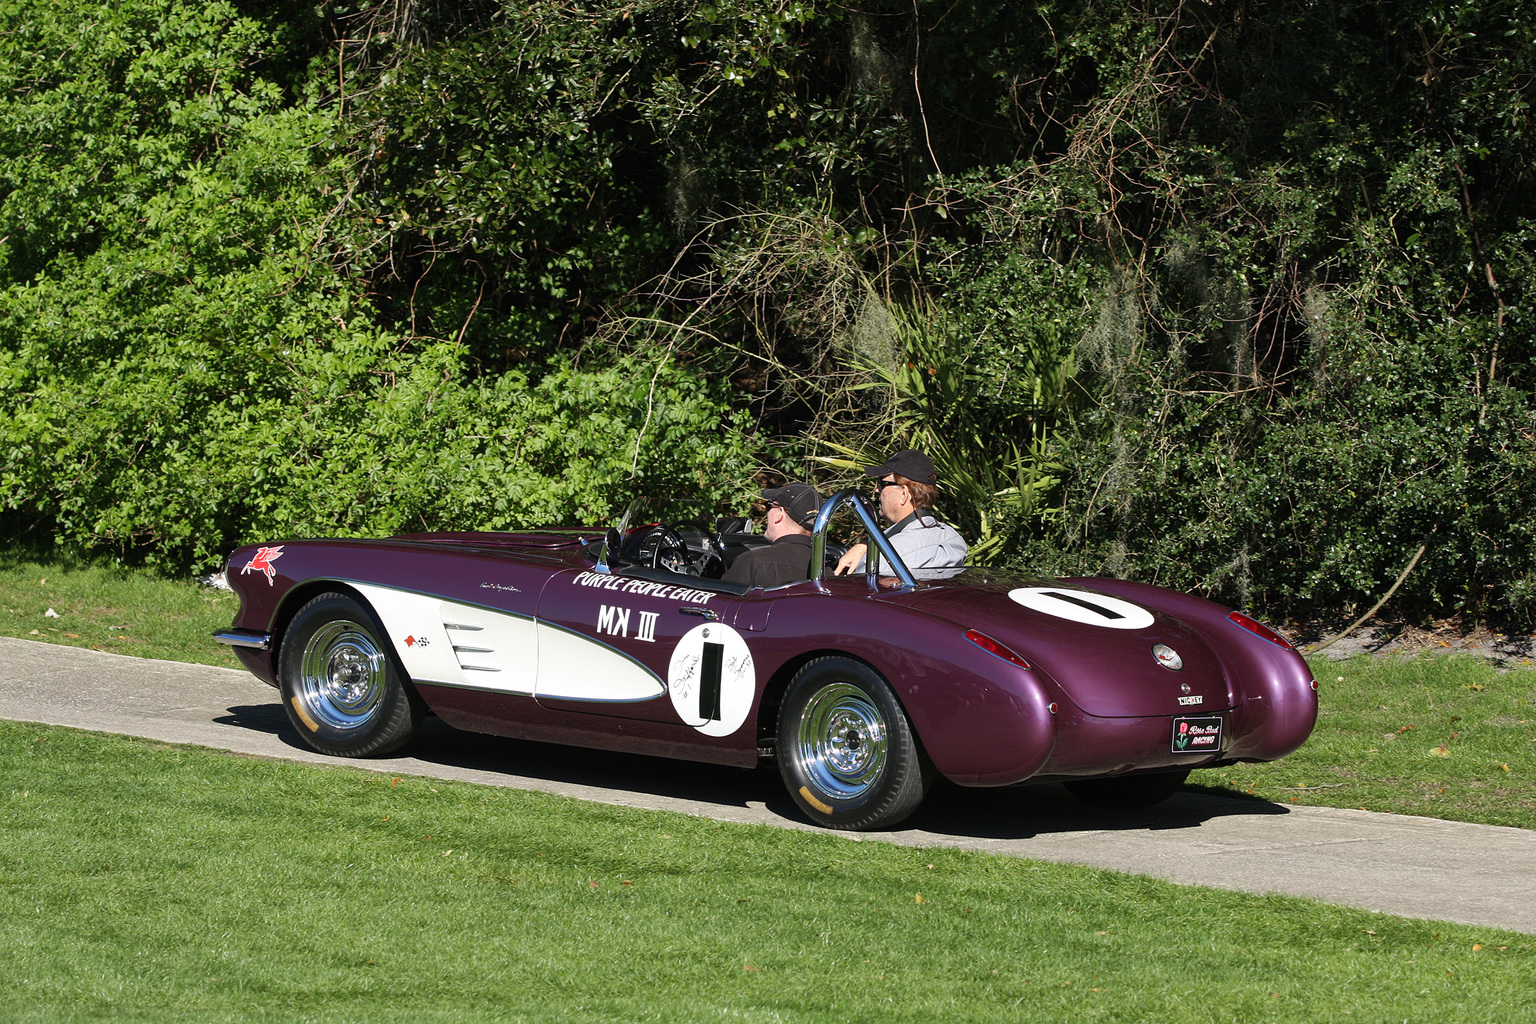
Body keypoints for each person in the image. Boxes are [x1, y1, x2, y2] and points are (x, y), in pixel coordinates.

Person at [833, 449, 967, 574]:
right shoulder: (953, 538)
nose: (877, 490)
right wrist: (865, 546)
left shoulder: (885, 559)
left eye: (882, 484)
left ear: (903, 494)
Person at [722, 482, 822, 587]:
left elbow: (723, 602)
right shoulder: (825, 570)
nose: (767, 514)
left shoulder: (752, 562)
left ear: (780, 514)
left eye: (769, 506)